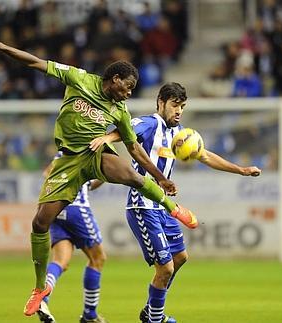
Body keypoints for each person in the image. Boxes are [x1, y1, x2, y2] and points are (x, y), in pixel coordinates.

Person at [0, 29, 197, 319]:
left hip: (94, 156)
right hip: (67, 163)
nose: (129, 93)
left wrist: (161, 178)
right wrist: (1, 46)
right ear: (115, 79)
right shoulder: (79, 79)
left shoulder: (120, 111)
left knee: (131, 175)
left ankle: (173, 208)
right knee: (40, 223)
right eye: (127, 87)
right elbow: (35, 62)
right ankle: (40, 288)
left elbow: (135, 150)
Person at [95, 83, 261, 323]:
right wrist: (106, 137)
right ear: (160, 103)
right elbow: (126, 130)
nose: (179, 111)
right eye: (174, 105)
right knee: (166, 268)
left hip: (162, 207)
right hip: (142, 205)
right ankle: (155, 318)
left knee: (180, 258)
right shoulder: (150, 123)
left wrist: (241, 170)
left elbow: (205, 155)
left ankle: (151, 309)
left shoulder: (180, 134)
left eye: (182, 106)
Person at [37, 152, 107, 323]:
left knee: (60, 261)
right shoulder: (88, 150)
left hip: (54, 209)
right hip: (77, 208)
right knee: (98, 258)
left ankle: (42, 301)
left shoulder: (61, 154)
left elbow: (47, 175)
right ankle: (90, 315)